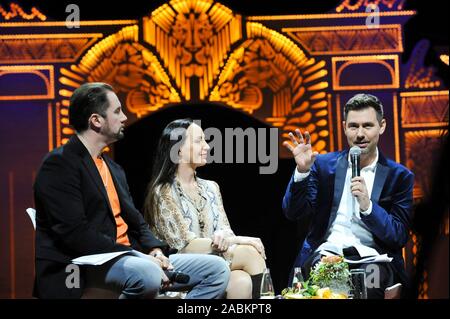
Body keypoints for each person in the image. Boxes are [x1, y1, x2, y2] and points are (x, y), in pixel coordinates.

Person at [33, 82, 229, 299]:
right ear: (96, 121)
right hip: (86, 262)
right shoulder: (60, 164)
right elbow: (76, 234)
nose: (125, 117)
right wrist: (139, 256)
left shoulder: (114, 168)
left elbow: (136, 222)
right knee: (146, 274)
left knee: (217, 269)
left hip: (132, 257)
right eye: (117, 111)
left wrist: (154, 250)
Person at [282, 93, 414, 298]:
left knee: (369, 283)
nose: (360, 134)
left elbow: (398, 236)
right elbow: (293, 212)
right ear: (344, 127)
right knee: (327, 287)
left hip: (374, 260)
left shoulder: (400, 177)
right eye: (353, 126)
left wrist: (368, 206)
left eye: (367, 126)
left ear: (382, 126)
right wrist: (302, 172)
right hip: (328, 255)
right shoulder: (324, 166)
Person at [144, 119, 267, 299]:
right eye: (198, 140)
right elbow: (185, 247)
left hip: (216, 262)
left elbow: (225, 230)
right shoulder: (163, 192)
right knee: (250, 252)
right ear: (178, 149)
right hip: (179, 267)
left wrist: (226, 236)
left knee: (241, 280)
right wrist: (245, 240)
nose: (207, 147)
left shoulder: (211, 188)